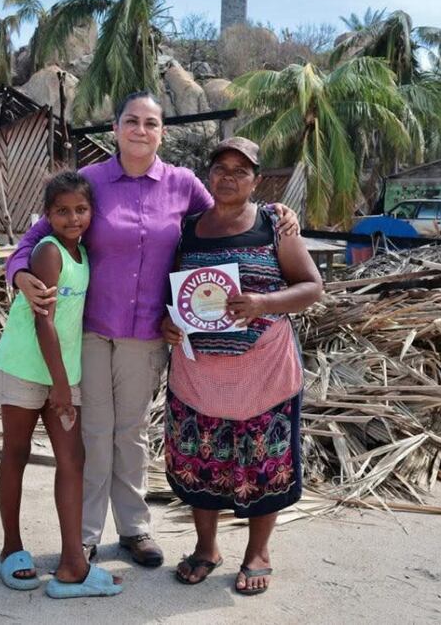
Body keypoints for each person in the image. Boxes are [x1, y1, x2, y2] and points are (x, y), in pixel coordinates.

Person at [7, 92, 301, 568]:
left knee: (132, 432)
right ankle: (86, 535)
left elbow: (228, 210)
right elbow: (37, 235)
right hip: (92, 331)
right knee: (94, 432)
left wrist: (278, 213)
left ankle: (134, 529)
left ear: (162, 132)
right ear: (115, 128)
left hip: (147, 334)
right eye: (131, 121)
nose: (140, 130)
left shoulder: (182, 184)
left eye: (150, 123)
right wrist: (19, 273)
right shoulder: (90, 182)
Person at [161, 137, 323, 595]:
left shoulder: (274, 226)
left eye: (240, 170)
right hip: (199, 373)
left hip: (264, 370)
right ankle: (206, 548)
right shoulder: (188, 229)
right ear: (208, 176)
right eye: (220, 168)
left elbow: (312, 287)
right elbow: (174, 293)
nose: (228, 177)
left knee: (264, 464)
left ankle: (258, 553)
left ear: (256, 180)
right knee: (201, 460)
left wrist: (264, 302)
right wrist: (168, 322)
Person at [0, 171, 122, 598]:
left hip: (62, 372)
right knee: (16, 452)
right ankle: (11, 549)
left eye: (81, 209)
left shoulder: (81, 253)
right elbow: (43, 323)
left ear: (92, 212)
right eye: (62, 211)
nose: (73, 218)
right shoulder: (48, 251)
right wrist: (61, 386)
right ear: (47, 214)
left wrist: (63, 382)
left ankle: (72, 564)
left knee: (72, 460)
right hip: (24, 368)